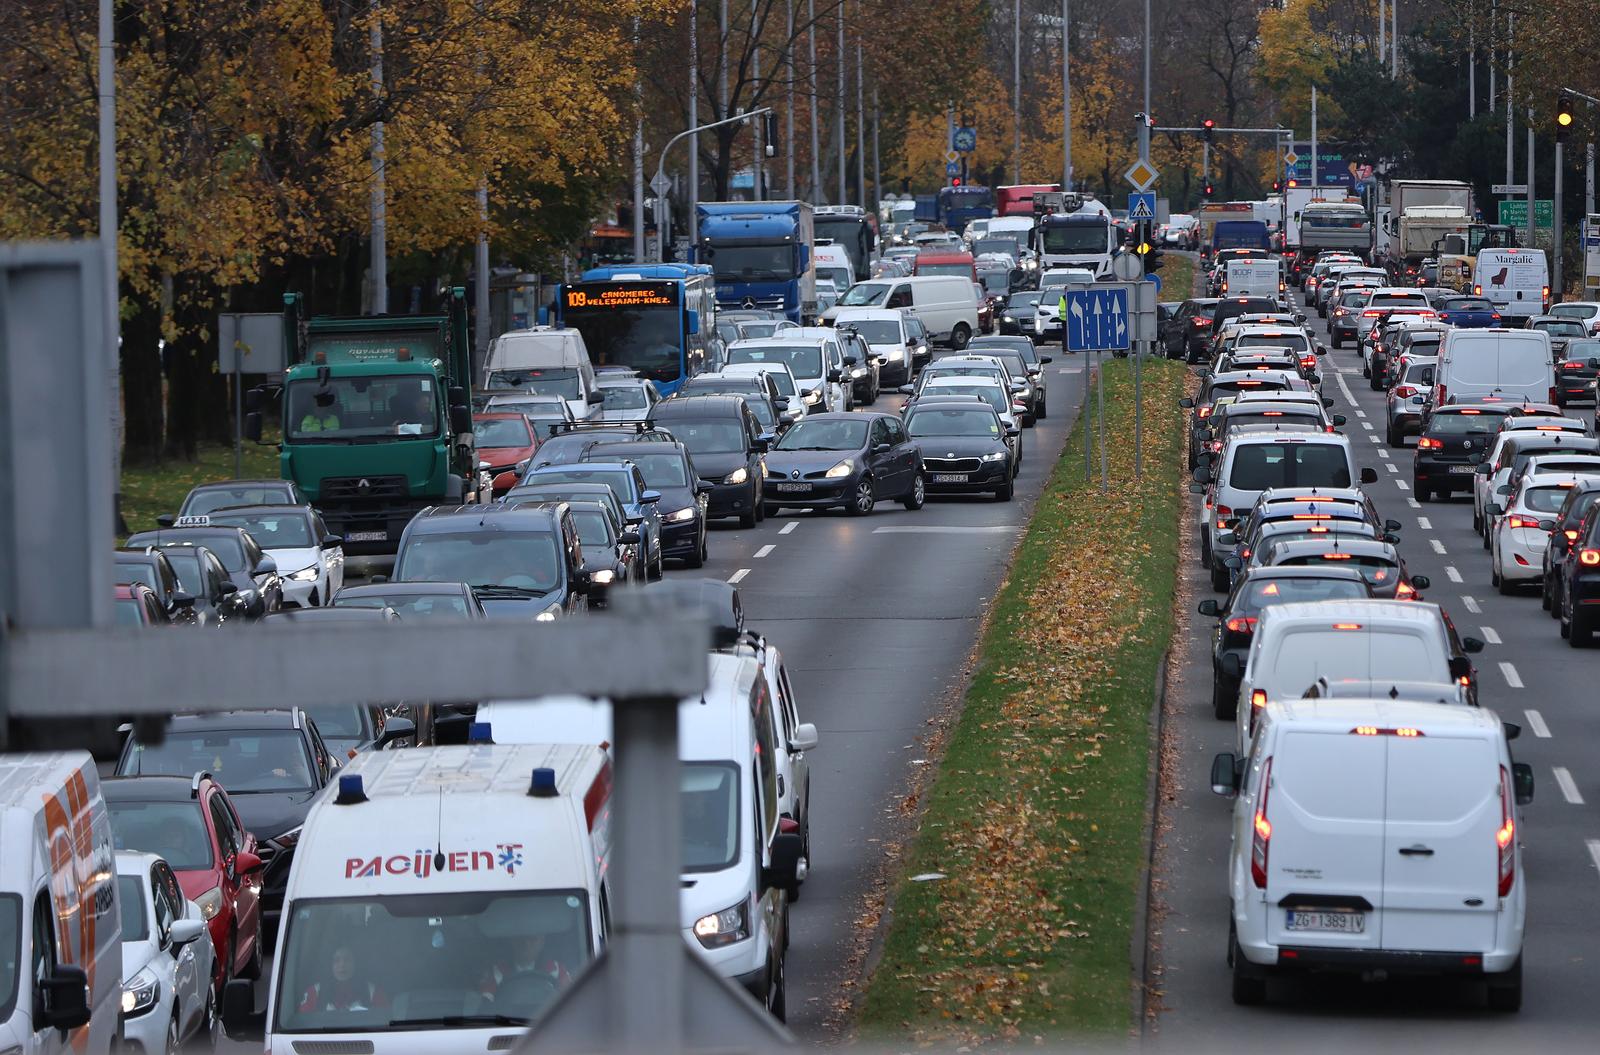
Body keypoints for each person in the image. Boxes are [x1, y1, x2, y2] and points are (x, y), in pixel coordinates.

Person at [299, 944, 388, 1013]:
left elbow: (383, 1020)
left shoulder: (372, 992)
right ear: (330, 965)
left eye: (347, 959)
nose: (342, 965)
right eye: (336, 960)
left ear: (355, 963)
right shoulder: (314, 992)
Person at [480, 933, 571, 998]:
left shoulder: (557, 970)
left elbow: (570, 1001)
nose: (526, 944)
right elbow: (486, 1003)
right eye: (521, 938)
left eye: (533, 939)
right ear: (512, 941)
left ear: (542, 943)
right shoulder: (497, 972)